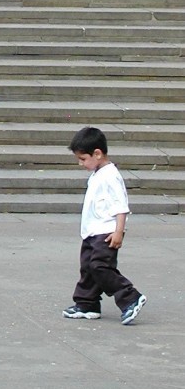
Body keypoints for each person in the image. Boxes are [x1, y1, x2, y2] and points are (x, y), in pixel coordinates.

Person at [62, 126, 146, 325]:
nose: (80, 163)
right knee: (88, 268)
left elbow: (121, 206)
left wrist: (119, 231)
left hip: (106, 232)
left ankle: (130, 297)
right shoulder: (98, 173)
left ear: (97, 153)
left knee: (101, 267)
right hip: (92, 232)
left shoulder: (111, 175)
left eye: (83, 159)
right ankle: (87, 303)